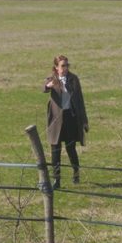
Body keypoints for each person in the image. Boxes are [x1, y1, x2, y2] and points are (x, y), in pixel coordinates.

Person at [43, 55, 89, 189]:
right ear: (56, 67)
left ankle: (76, 173)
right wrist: (49, 85)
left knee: (70, 148)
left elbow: (80, 101)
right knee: (55, 150)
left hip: (71, 118)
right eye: (62, 65)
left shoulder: (73, 79)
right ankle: (56, 180)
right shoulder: (52, 79)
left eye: (67, 65)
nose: (65, 68)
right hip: (56, 121)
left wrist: (84, 121)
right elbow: (44, 88)